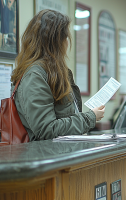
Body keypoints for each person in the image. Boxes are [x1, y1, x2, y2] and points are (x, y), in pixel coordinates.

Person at [10, 10, 105, 141]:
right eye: (65, 37)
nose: (67, 43)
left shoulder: (56, 72)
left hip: (61, 154)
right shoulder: (35, 75)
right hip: (44, 157)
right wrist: (90, 118)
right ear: (55, 42)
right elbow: (46, 129)